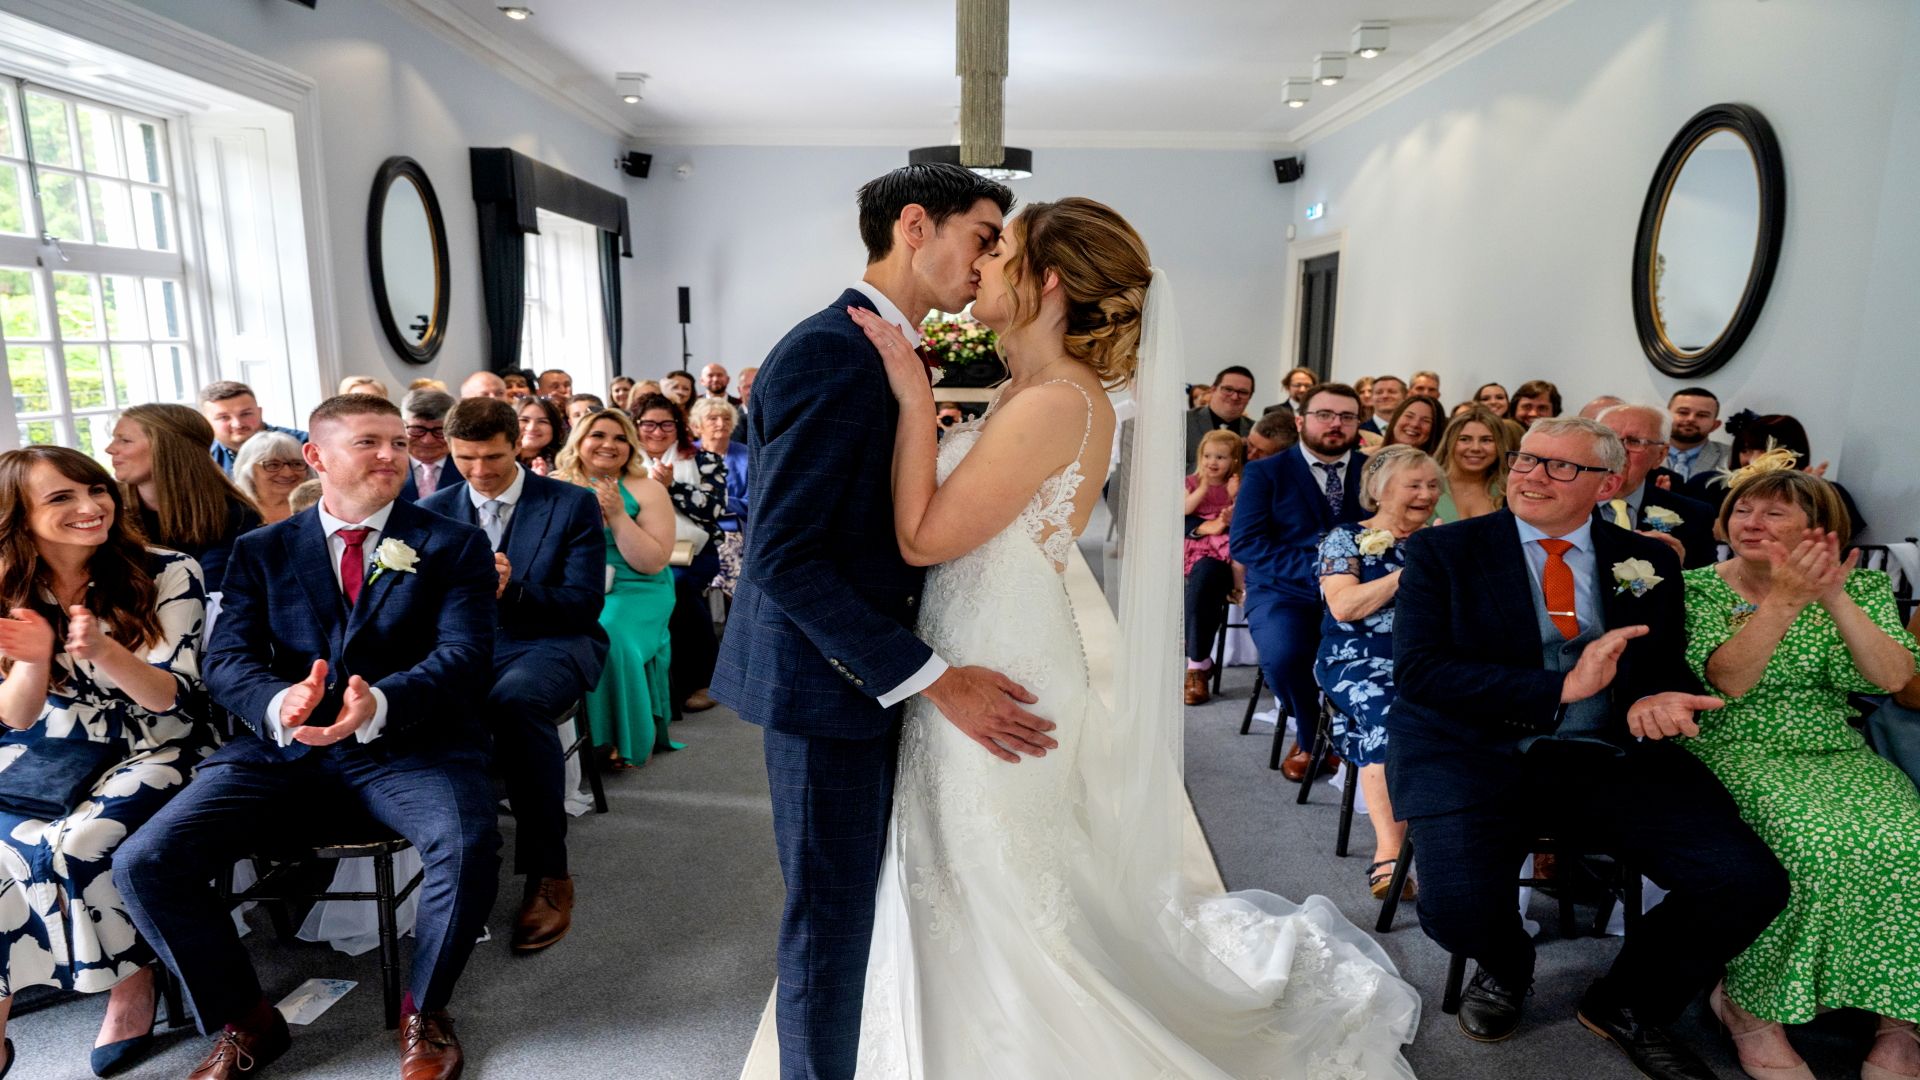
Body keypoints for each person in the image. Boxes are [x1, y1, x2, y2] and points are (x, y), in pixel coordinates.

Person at [841, 192, 1420, 1077]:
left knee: (994, 868)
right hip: (986, 636)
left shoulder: (1060, 402)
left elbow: (924, 538)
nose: (984, 263)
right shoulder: (1030, 390)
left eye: (1001, 251)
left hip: (1001, 660)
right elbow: (1014, 529)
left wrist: (916, 402)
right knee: (976, 862)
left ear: (1049, 280)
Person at [711, 162, 1026, 1077]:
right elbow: (782, 556)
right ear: (916, 226)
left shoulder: (884, 345)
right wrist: (931, 676)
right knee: (830, 913)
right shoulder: (832, 350)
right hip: (826, 684)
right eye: (982, 235)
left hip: (858, 670)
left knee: (858, 899)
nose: (989, 259)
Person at [1387, 416, 1789, 1078]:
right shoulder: (1445, 552)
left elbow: (1658, 663)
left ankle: (1628, 1001)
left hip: (1604, 753)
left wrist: (1652, 698)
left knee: (1746, 881)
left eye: (1559, 467)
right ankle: (1509, 964)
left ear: (1606, 485)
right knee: (1455, 912)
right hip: (1468, 749)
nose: (1531, 475)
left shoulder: (1648, 558)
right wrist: (1559, 686)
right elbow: (1421, 672)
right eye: (1526, 460)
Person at [116, 394, 501, 1080]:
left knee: (469, 842)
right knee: (146, 861)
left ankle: (426, 1011)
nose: (390, 454)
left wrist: (380, 700)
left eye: (397, 442)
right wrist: (277, 699)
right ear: (317, 457)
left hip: (410, 744)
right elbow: (226, 660)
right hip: (282, 749)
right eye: (368, 442)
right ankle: (248, 1022)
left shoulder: (452, 540)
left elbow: (465, 656)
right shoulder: (262, 550)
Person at [1678, 465, 1920, 1080]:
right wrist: (1784, 600)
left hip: (1834, 748)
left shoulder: (1861, 591)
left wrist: (1834, 595)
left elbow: (1893, 678)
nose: (1752, 524)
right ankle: (1750, 1010)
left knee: (1908, 840)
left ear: (1819, 530)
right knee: (1812, 844)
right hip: (1735, 746)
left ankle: (1898, 1024)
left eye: (1774, 513)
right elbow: (1729, 681)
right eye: (1742, 512)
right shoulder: (1697, 588)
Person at [0, 447, 217, 1080]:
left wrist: (99, 649)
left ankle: (132, 984)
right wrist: (38, 658)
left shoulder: (168, 570)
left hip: (162, 742)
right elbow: (14, 716)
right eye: (61, 498)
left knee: (81, 841)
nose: (91, 506)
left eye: (96, 489)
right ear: (20, 514)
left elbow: (175, 700)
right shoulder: (8, 584)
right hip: (48, 748)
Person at [419, 397, 607, 951]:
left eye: (494, 458)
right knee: (415, 698)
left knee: (515, 702)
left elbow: (583, 605)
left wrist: (511, 588)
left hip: (552, 640)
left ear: (519, 443)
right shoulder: (433, 507)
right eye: (466, 459)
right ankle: (452, 866)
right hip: (465, 644)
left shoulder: (570, 504)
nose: (480, 472)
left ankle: (549, 873)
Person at [1315, 445, 1440, 899]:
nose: (1426, 494)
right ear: (1380, 491)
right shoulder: (1345, 538)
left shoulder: (1444, 540)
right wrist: (1407, 573)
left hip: (1428, 656)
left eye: (1432, 485)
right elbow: (1345, 606)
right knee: (1389, 718)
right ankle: (1389, 853)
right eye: (1414, 485)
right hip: (1357, 655)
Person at [1232, 382, 1368, 780]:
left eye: (1346, 416)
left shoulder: (1372, 471)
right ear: (1300, 420)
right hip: (1283, 590)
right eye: (1324, 415)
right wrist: (1323, 573)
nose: (1335, 424)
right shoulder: (1265, 472)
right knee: (1287, 655)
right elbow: (1247, 543)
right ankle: (1312, 735)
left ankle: (1359, 737)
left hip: (1362, 594)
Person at [551, 409, 679, 768]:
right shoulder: (556, 483)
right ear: (579, 441)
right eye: (598, 435)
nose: (610, 444)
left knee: (609, 634)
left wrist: (618, 515)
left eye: (620, 438)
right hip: (574, 584)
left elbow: (653, 561)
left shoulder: (647, 488)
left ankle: (613, 738)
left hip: (636, 586)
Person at [631, 393, 725, 714]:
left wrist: (673, 486)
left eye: (666, 425)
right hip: (636, 549)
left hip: (693, 552)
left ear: (679, 427)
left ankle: (704, 679)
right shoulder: (624, 462)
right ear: (636, 425)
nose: (657, 432)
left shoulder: (704, 460)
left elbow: (713, 510)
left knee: (679, 587)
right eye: (649, 424)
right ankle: (648, 688)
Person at [107, 405, 262, 594]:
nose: (110, 449)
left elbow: (206, 595)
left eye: (125, 440)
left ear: (166, 448)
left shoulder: (235, 516)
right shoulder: (109, 508)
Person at [1684, 412, 1869, 537]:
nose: (1753, 460)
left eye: (1764, 450)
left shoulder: (1826, 490)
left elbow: (1839, 538)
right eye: (1746, 450)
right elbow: (1686, 529)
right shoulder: (1709, 484)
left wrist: (1815, 498)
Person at [1594, 404, 1717, 568]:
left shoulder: (1694, 514)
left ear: (1660, 455)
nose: (1618, 451)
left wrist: (1676, 570)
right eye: (1609, 440)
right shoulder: (1563, 503)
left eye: (1634, 441)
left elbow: (1704, 586)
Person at [1182, 429, 1243, 706]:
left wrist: (1234, 499)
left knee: (1228, 564)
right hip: (1202, 549)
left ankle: (1238, 587)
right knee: (1201, 578)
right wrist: (1204, 488)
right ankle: (1198, 665)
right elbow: (1182, 511)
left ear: (1234, 461)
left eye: (1220, 457)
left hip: (1233, 546)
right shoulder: (1193, 482)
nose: (1212, 462)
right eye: (1207, 456)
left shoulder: (1238, 484)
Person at [691, 398, 749, 597]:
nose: (720, 423)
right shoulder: (686, 454)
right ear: (698, 425)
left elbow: (753, 503)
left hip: (733, 528)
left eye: (726, 418)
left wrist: (715, 502)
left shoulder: (747, 456)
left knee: (728, 550)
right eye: (712, 418)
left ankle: (728, 612)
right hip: (690, 527)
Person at [200, 381, 307, 476]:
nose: (237, 424)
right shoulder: (202, 458)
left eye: (246, 414)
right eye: (224, 417)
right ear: (206, 421)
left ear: (260, 412)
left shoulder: (305, 445)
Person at [1433, 404, 1515, 522]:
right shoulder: (1427, 484)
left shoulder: (1510, 491)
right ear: (1449, 442)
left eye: (1486, 440)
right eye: (1464, 439)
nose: (1475, 448)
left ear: (1499, 446)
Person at [231, 432, 312, 526]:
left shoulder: (320, 507)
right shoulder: (234, 512)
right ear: (248, 471)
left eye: (296, 464)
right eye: (273, 465)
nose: (288, 473)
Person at [1182, 365, 1255, 465]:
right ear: (1213, 390)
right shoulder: (1183, 423)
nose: (1234, 397)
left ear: (1250, 397)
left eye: (1243, 392)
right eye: (1228, 389)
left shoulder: (1255, 432)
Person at [398, 388, 454, 503]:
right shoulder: (385, 466)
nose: (428, 440)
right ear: (401, 426)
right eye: (417, 430)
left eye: (439, 431)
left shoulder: (472, 468)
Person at [1665, 387, 1730, 482]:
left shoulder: (1731, 456)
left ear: (1715, 425)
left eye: (1702, 415)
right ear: (1664, 417)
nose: (1691, 419)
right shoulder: (1643, 450)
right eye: (1683, 412)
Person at [516, 395, 567, 477]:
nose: (532, 428)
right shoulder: (497, 460)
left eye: (542, 422)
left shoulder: (566, 465)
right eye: (524, 420)